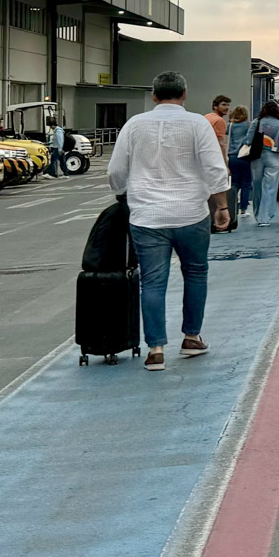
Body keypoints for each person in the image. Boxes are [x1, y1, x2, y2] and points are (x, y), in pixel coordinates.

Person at [107, 70, 232, 370]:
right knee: (196, 273)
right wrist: (222, 206)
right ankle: (191, 337)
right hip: (191, 213)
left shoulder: (134, 125)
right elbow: (214, 168)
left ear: (154, 95)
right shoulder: (197, 124)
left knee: (152, 281)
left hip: (147, 216)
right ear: (185, 94)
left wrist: (123, 191)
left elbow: (115, 171)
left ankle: (155, 349)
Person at [254, 100, 279, 222]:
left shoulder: (257, 122)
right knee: (270, 187)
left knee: (257, 185)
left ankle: (257, 213)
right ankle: (265, 217)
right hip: (274, 157)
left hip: (256, 156)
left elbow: (248, 139)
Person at [225, 104, 254, 220]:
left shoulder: (229, 126)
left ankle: (232, 208)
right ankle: (243, 209)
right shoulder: (248, 125)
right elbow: (249, 139)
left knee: (234, 183)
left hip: (232, 156)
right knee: (246, 184)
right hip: (245, 156)